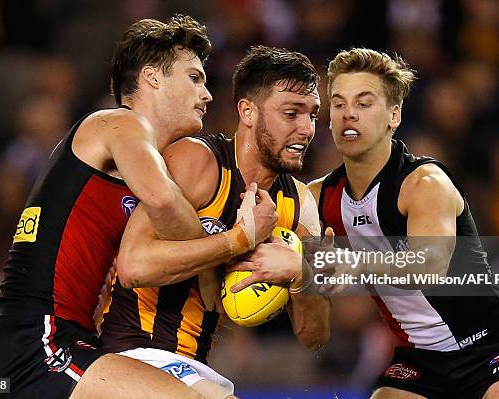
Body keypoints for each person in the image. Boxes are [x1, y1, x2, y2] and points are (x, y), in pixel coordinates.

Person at [0, 15, 277, 399]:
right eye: (194, 78)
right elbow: (162, 200)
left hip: (63, 341)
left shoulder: (145, 157)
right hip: (37, 342)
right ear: (153, 77)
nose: (206, 95)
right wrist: (237, 242)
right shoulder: (117, 123)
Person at [99, 45, 331, 399]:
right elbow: (133, 266)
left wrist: (303, 275)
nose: (306, 129)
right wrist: (240, 239)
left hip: (197, 366)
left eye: (312, 115)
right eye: (291, 113)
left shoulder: (301, 206)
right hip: (131, 353)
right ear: (248, 111)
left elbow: (314, 337)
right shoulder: (197, 161)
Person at [308, 48, 499, 399]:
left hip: (490, 346)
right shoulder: (317, 198)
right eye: (338, 104)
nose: (348, 114)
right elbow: (325, 318)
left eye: (364, 103)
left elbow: (428, 265)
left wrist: (350, 267)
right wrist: (300, 277)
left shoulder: (423, 184)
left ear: (394, 115)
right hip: (420, 359)